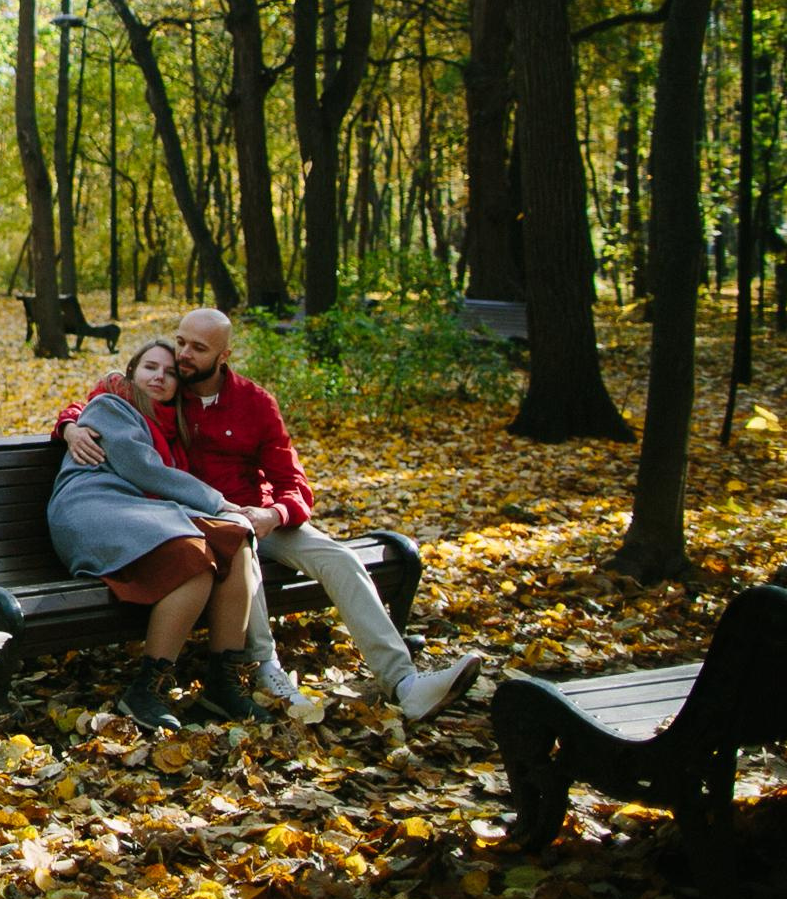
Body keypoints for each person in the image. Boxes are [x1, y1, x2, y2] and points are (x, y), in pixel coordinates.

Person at [58, 308, 482, 721]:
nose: (182, 357)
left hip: (256, 514)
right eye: (181, 342)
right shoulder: (168, 391)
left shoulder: (254, 403)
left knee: (341, 558)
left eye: (197, 348)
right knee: (239, 551)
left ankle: (404, 682)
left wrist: (274, 514)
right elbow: (104, 403)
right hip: (200, 517)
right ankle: (264, 670)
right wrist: (70, 426)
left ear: (223, 356)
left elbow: (293, 482)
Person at [46, 340, 264, 730]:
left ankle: (224, 684)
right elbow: (142, 468)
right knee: (192, 559)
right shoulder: (111, 406)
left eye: (169, 373)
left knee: (236, 540)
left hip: (143, 514)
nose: (159, 377)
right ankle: (147, 689)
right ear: (131, 373)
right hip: (91, 510)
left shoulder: (171, 428)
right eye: (150, 367)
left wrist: (234, 514)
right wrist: (217, 502)